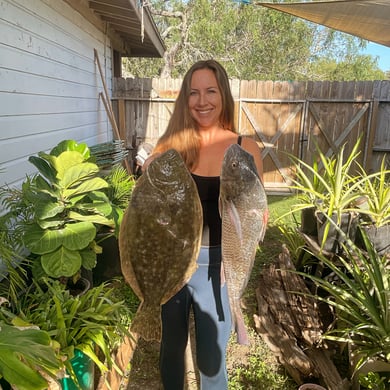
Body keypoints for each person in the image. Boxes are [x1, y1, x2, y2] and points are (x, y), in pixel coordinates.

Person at [146, 59, 264, 389]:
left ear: (223, 94)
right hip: (174, 265)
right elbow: (150, 216)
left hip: (220, 268)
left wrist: (241, 261)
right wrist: (148, 178)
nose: (202, 101)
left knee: (212, 359)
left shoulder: (245, 148)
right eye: (194, 93)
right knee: (170, 351)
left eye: (210, 91)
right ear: (185, 99)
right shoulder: (169, 149)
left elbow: (256, 215)